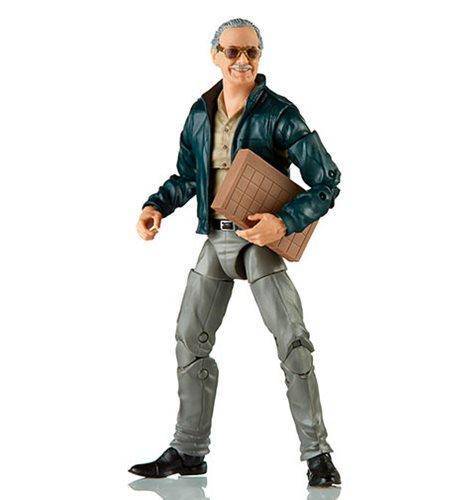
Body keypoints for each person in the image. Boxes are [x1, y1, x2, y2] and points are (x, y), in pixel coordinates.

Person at [130, 18, 342, 488]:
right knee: (189, 339)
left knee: (293, 341)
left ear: (260, 56)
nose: (242, 60)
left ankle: (318, 454)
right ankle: (189, 450)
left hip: (258, 243)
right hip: (215, 239)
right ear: (215, 56)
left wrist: (283, 222)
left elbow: (327, 181)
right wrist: (155, 206)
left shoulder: (280, 114)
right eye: (232, 52)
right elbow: (189, 175)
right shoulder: (200, 113)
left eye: (251, 52)